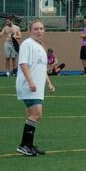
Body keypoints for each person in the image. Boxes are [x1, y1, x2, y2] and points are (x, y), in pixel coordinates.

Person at [15, 19, 55, 156]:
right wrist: (31, 82)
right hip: (28, 85)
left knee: (32, 115)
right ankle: (23, 145)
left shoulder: (40, 46)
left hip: (36, 86)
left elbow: (42, 68)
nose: (39, 31)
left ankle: (29, 145)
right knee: (37, 114)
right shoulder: (27, 44)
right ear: (30, 31)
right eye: (36, 29)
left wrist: (48, 83)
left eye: (41, 29)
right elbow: (23, 64)